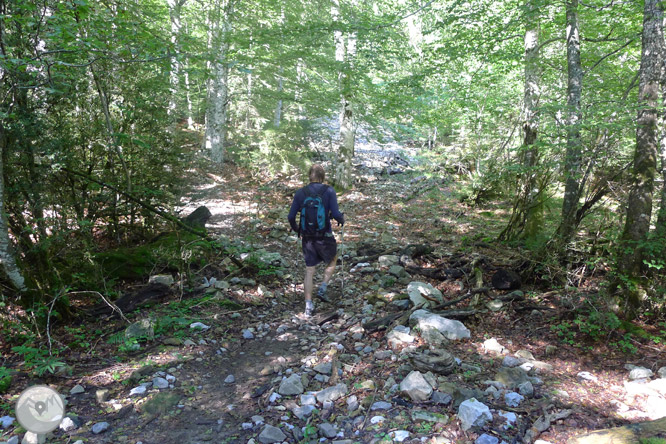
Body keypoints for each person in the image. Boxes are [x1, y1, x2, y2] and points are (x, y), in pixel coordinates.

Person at [288, 164, 344, 317]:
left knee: (309, 270)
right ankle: (323, 288)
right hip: (325, 236)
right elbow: (337, 213)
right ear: (322, 176)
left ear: (309, 176)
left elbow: (291, 216)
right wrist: (341, 220)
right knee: (332, 260)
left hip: (307, 238)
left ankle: (308, 305)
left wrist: (297, 229)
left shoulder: (300, 193)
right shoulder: (329, 191)